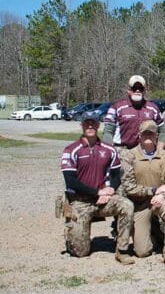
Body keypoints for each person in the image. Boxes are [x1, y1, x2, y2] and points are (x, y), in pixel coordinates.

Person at [60, 111, 134, 264]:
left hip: (103, 200)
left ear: (98, 125)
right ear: (81, 125)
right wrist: (97, 192)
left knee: (126, 205)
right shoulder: (71, 150)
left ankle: (122, 250)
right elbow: (70, 181)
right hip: (80, 201)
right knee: (80, 253)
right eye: (86, 123)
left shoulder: (109, 150)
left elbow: (115, 175)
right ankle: (71, 236)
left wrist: (110, 190)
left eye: (93, 123)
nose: (90, 126)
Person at [119, 120, 165, 265]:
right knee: (142, 252)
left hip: (162, 198)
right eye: (145, 133)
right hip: (141, 202)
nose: (148, 136)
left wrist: (162, 193)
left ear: (156, 136)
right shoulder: (129, 155)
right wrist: (152, 191)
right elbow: (128, 186)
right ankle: (155, 235)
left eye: (151, 133)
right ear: (139, 136)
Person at [103, 75, 165, 152]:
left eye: (140, 88)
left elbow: (163, 130)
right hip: (122, 151)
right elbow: (108, 132)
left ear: (144, 91)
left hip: (146, 152)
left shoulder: (153, 108)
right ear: (129, 90)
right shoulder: (116, 107)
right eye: (134, 88)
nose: (137, 91)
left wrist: (159, 150)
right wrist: (111, 151)